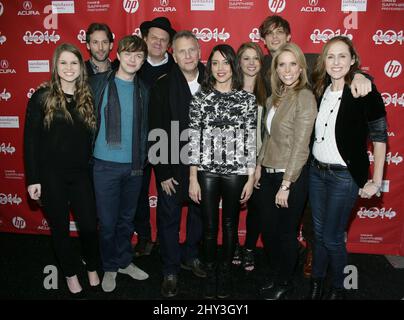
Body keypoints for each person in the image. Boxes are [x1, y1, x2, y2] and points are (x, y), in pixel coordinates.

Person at [258, 14, 373, 277]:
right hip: (282, 159)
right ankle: (301, 267)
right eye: (268, 33)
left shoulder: (309, 60)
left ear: (289, 36)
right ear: (264, 40)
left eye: (279, 32)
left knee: (317, 228)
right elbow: (268, 130)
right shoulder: (264, 66)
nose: (274, 37)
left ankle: (318, 268)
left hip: (308, 157)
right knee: (286, 227)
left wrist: (359, 76)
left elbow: (338, 65)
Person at [307, 36, 387, 300]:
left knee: (331, 237)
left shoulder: (364, 91)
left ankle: (339, 288)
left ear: (353, 60)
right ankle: (316, 282)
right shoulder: (319, 90)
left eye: (343, 56)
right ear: (324, 61)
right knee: (317, 236)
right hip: (316, 173)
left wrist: (375, 181)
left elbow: (379, 138)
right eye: (330, 56)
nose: (336, 62)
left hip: (344, 177)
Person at [24, 43, 100, 298]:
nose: (69, 68)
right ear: (56, 66)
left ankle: (90, 265)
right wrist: (33, 179)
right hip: (50, 175)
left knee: (89, 226)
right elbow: (30, 140)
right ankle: (69, 273)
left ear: (81, 67)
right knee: (60, 229)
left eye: (74, 63)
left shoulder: (87, 96)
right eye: (63, 63)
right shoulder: (42, 97)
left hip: (80, 175)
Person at [188, 44, 257, 299]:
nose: (220, 68)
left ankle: (225, 274)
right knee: (208, 226)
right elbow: (194, 139)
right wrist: (193, 178)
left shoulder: (247, 99)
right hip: (206, 171)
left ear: (233, 66)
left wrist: (250, 177)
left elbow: (251, 140)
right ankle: (209, 272)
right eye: (215, 63)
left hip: (236, 172)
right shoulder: (200, 97)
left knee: (229, 225)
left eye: (225, 62)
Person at [254, 42, 317, 300]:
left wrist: (286, 183)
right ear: (275, 69)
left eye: (293, 64)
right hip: (268, 173)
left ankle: (285, 282)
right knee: (269, 233)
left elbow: (301, 146)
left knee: (286, 234)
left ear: (301, 68)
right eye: (282, 64)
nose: (287, 70)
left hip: (290, 177)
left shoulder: (305, 97)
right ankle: (278, 274)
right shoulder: (274, 98)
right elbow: (268, 138)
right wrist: (258, 165)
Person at [89, 35, 150, 293]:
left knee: (126, 220)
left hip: (134, 166)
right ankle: (110, 266)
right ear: (119, 54)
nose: (133, 59)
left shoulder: (144, 90)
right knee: (108, 222)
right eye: (128, 53)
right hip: (104, 166)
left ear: (143, 60)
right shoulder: (97, 84)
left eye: (139, 56)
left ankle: (124, 261)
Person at [148, 30, 206, 298]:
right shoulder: (162, 84)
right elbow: (155, 129)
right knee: (169, 218)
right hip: (172, 164)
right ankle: (170, 268)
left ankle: (190, 255)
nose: (188, 55)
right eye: (182, 51)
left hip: (204, 165)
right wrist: (162, 173)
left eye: (192, 49)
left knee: (199, 215)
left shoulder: (212, 79)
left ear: (199, 51)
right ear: (173, 53)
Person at [133, 16, 177, 257]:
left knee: (167, 192)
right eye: (154, 38)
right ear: (145, 39)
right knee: (138, 191)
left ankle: (164, 238)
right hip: (138, 139)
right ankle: (143, 236)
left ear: (169, 44)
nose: (158, 43)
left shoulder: (177, 66)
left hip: (166, 140)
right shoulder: (134, 63)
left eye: (163, 39)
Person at [232, 42, 267, 273]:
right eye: (246, 58)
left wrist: (259, 164)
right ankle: (234, 246)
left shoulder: (270, 90)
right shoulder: (229, 89)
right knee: (233, 206)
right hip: (232, 161)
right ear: (239, 62)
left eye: (256, 58)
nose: (252, 63)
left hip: (260, 159)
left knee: (257, 207)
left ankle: (249, 248)